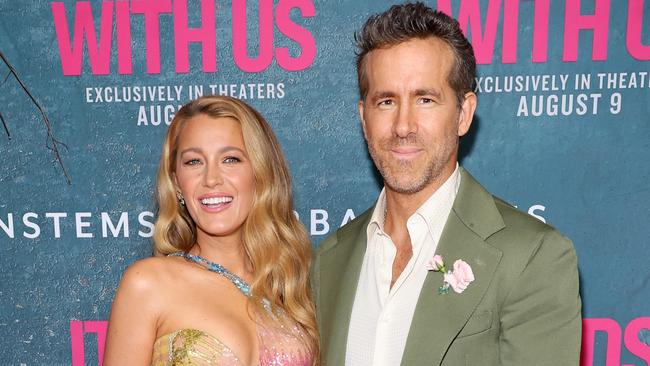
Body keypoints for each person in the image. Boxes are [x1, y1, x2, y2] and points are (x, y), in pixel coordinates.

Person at [312, 3, 581, 366]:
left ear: (463, 113)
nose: (403, 126)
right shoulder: (331, 258)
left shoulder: (533, 257)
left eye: (425, 99)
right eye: (386, 101)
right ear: (364, 118)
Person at [104, 96, 318, 365]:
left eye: (231, 159)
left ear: (260, 173)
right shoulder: (148, 284)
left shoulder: (291, 287)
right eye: (194, 162)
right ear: (176, 182)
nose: (211, 179)